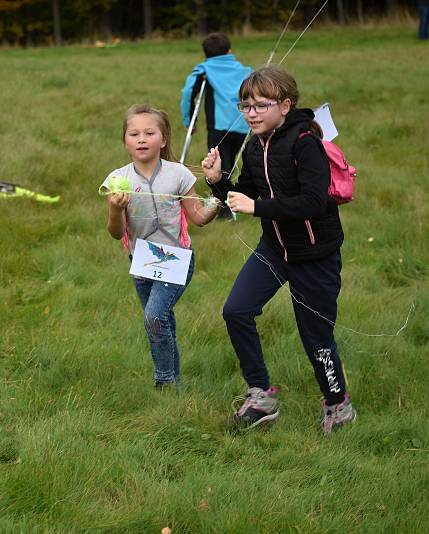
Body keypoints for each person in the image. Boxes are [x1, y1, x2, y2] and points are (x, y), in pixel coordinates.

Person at [201, 66, 356, 434]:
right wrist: (217, 180)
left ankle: (338, 404)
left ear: (285, 105)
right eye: (245, 106)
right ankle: (262, 396)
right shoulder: (255, 145)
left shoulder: (306, 143)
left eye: (260, 105)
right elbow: (245, 195)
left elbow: (313, 202)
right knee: (236, 310)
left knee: (316, 338)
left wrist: (259, 207)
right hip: (274, 250)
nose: (251, 113)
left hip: (315, 255)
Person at [104, 104, 220, 389]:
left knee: (154, 318)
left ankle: (165, 381)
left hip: (176, 258)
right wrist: (115, 210)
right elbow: (115, 233)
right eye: (134, 133)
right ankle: (174, 380)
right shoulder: (119, 180)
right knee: (160, 322)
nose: (141, 139)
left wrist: (218, 198)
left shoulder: (177, 174)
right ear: (125, 141)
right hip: (141, 260)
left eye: (149, 132)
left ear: (164, 139)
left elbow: (198, 217)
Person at [180, 32, 252, 218]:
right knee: (229, 163)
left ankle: (224, 211)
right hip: (244, 126)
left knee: (221, 166)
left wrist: (189, 121)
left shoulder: (204, 69)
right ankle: (228, 204)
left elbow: (188, 92)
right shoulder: (246, 71)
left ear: (205, 54)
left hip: (219, 128)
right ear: (230, 51)